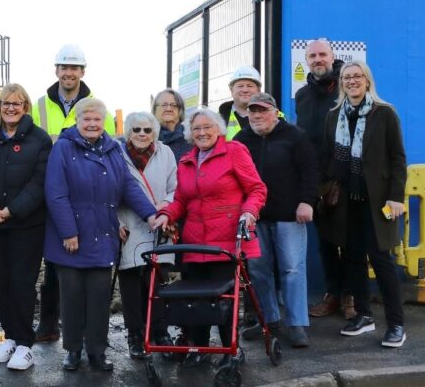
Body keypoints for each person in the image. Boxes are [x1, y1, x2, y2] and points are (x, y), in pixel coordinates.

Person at [45, 98, 157, 373]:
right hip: (71, 237)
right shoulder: (63, 148)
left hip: (102, 235)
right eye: (87, 119)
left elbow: (128, 186)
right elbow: (56, 193)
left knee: (99, 297)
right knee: (71, 296)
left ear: (103, 122)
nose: (92, 124)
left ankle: (97, 350)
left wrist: (150, 214)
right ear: (77, 121)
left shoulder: (113, 149)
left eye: (97, 119)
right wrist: (69, 232)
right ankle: (72, 350)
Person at [153, 107, 267, 368]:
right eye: (196, 129)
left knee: (224, 300)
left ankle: (231, 349)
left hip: (226, 240)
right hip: (194, 242)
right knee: (195, 300)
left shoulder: (235, 152)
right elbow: (181, 199)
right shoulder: (186, 160)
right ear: (190, 134)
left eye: (207, 127)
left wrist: (249, 213)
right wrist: (166, 214)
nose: (202, 132)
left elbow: (256, 188)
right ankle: (199, 347)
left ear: (219, 130)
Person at [318, 61, 407, 347]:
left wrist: (396, 197)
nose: (352, 81)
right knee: (352, 259)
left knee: (382, 262)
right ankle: (364, 316)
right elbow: (328, 157)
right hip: (347, 201)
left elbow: (397, 159)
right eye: (347, 77)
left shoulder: (385, 113)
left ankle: (396, 324)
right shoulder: (334, 116)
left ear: (367, 81)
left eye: (357, 76)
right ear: (342, 83)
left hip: (378, 202)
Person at [31, 44, 116, 343]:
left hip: (85, 196)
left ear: (82, 72)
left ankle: (80, 333)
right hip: (50, 193)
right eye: (64, 67)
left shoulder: (97, 107)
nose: (69, 73)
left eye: (74, 68)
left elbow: (111, 153)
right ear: (56, 70)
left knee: (81, 265)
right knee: (52, 263)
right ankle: (49, 323)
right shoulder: (39, 105)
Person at [0, 84, 52, 371]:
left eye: (17, 103)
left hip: (27, 225)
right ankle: (10, 337)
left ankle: (26, 344)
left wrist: (12, 210)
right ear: (0, 106)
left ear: (25, 107)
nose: (11, 108)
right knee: (1, 283)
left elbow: (40, 182)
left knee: (22, 283)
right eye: (6, 103)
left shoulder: (39, 140)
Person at [235, 93, 318, 348]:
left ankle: (296, 324)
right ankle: (268, 321)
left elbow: (311, 170)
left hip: (289, 215)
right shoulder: (240, 140)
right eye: (252, 111)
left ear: (275, 112)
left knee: (292, 269)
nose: (257, 116)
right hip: (254, 217)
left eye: (262, 110)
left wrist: (307, 201)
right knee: (259, 271)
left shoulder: (295, 136)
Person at [296, 39, 351, 319]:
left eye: (322, 54)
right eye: (312, 56)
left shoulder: (347, 87)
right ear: (306, 60)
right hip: (316, 180)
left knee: (351, 240)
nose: (318, 59)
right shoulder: (302, 96)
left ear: (333, 56)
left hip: (346, 177)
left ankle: (352, 297)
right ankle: (333, 295)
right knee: (326, 241)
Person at [116, 111, 177, 359]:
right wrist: (115, 222)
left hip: (159, 225)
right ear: (128, 132)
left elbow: (175, 187)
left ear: (155, 132)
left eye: (147, 130)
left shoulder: (166, 153)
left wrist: (166, 209)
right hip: (129, 225)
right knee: (130, 282)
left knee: (157, 281)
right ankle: (135, 334)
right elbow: (110, 192)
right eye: (136, 130)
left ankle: (160, 331)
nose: (142, 134)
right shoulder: (117, 153)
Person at [218, 66, 263, 140]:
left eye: (250, 86)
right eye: (240, 86)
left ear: (258, 90)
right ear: (231, 90)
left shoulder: (275, 116)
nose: (245, 90)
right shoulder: (218, 119)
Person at [152, 89, 190, 162]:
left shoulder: (190, 138)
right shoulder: (147, 138)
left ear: (180, 110)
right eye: (164, 105)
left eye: (174, 105)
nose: (169, 109)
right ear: (155, 110)